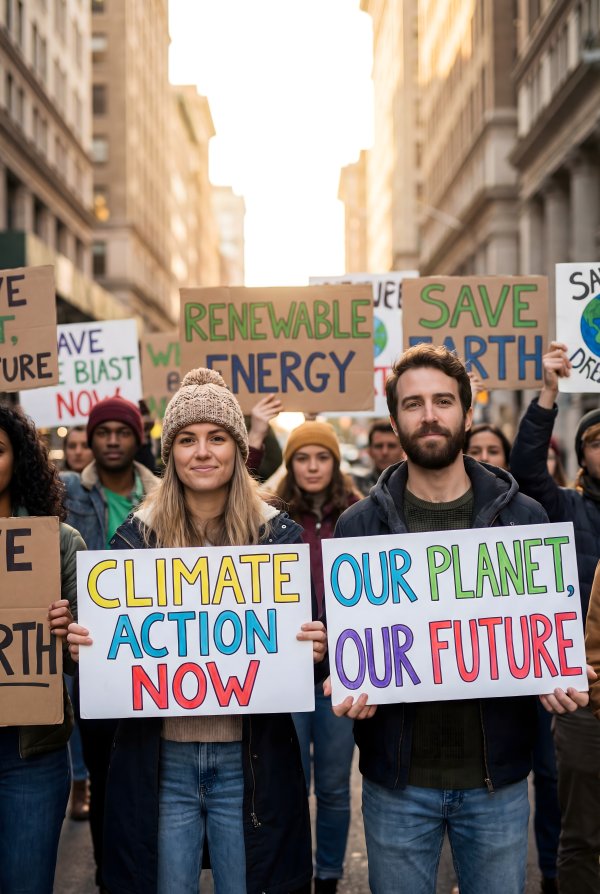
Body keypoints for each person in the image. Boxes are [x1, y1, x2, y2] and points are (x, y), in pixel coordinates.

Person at [326, 343, 587, 894]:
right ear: (395, 420)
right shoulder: (356, 527)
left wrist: (555, 669)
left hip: (498, 783)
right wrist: (341, 673)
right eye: (413, 403)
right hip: (397, 783)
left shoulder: (524, 519)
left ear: (468, 414)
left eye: (443, 401)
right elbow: (347, 642)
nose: (429, 415)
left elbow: (535, 629)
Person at [67, 368, 327, 894]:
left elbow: (306, 648)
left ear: (237, 449)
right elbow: (113, 654)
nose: (202, 452)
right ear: (170, 453)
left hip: (248, 762)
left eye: (216, 438)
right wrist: (84, 647)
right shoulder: (133, 542)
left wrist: (316, 647)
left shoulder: (276, 540)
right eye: (187, 439)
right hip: (163, 764)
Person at [511, 341, 600, 894]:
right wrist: (548, 395)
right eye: (598, 442)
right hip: (586, 692)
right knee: (582, 832)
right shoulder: (564, 507)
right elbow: (524, 467)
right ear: (581, 454)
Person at [62, 395, 159, 892]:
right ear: (92, 438)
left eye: (122, 432)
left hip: (159, 663)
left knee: (154, 779)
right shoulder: (64, 493)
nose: (113, 440)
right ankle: (110, 877)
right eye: (103, 433)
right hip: (96, 663)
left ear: (137, 438)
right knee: (105, 777)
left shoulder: (165, 492)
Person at [465, 420, 561, 892]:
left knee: (554, 780)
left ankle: (554, 872)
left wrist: (557, 656)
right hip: (408, 767)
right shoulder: (364, 520)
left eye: (493, 448)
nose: (485, 456)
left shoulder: (528, 517)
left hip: (502, 750)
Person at [0, 404, 86, 894]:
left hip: (27, 755)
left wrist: (71, 632)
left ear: (20, 461)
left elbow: (90, 663)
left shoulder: (58, 545)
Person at [277, 421, 361, 893]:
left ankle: (328, 876)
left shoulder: (357, 513)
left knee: (332, 788)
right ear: (290, 464)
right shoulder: (270, 514)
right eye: (302, 457)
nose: (312, 466)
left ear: (334, 462)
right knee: (290, 788)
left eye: (321, 457)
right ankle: (294, 875)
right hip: (285, 672)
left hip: (341, 673)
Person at [353, 420, 405, 496]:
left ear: (402, 450)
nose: (385, 452)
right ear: (369, 451)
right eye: (379, 446)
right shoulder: (357, 488)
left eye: (391, 446)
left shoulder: (414, 486)